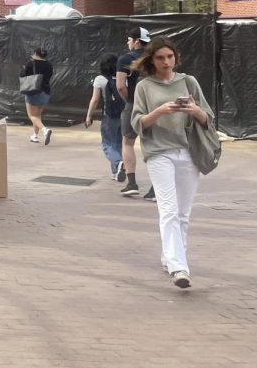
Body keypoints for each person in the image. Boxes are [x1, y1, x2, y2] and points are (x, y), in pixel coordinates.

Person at [130, 36, 214, 290]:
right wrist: (160, 111)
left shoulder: (188, 81)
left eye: (170, 56)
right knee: (168, 209)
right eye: (160, 57)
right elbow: (137, 123)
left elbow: (208, 118)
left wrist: (194, 110)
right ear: (151, 60)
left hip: (188, 151)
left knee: (183, 213)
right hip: (159, 151)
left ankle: (171, 258)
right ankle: (180, 267)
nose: (166, 62)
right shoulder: (144, 86)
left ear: (176, 57)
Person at [117, 27, 151, 198]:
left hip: (134, 104)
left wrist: (129, 101)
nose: (128, 42)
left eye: (129, 39)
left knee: (128, 143)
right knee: (153, 144)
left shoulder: (126, 59)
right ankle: (155, 188)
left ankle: (131, 183)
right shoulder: (155, 57)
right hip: (155, 106)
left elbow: (121, 85)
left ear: (137, 41)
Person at [85, 54, 125, 181]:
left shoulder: (100, 79)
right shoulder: (123, 77)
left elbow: (95, 99)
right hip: (124, 114)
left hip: (109, 115)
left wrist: (89, 115)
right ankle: (116, 172)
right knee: (118, 143)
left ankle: (118, 163)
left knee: (107, 143)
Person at [20, 47, 54, 145]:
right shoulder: (49, 65)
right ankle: (35, 135)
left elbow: (22, 75)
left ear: (35, 53)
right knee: (37, 115)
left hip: (33, 92)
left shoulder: (30, 64)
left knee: (31, 115)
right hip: (45, 93)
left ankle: (45, 130)